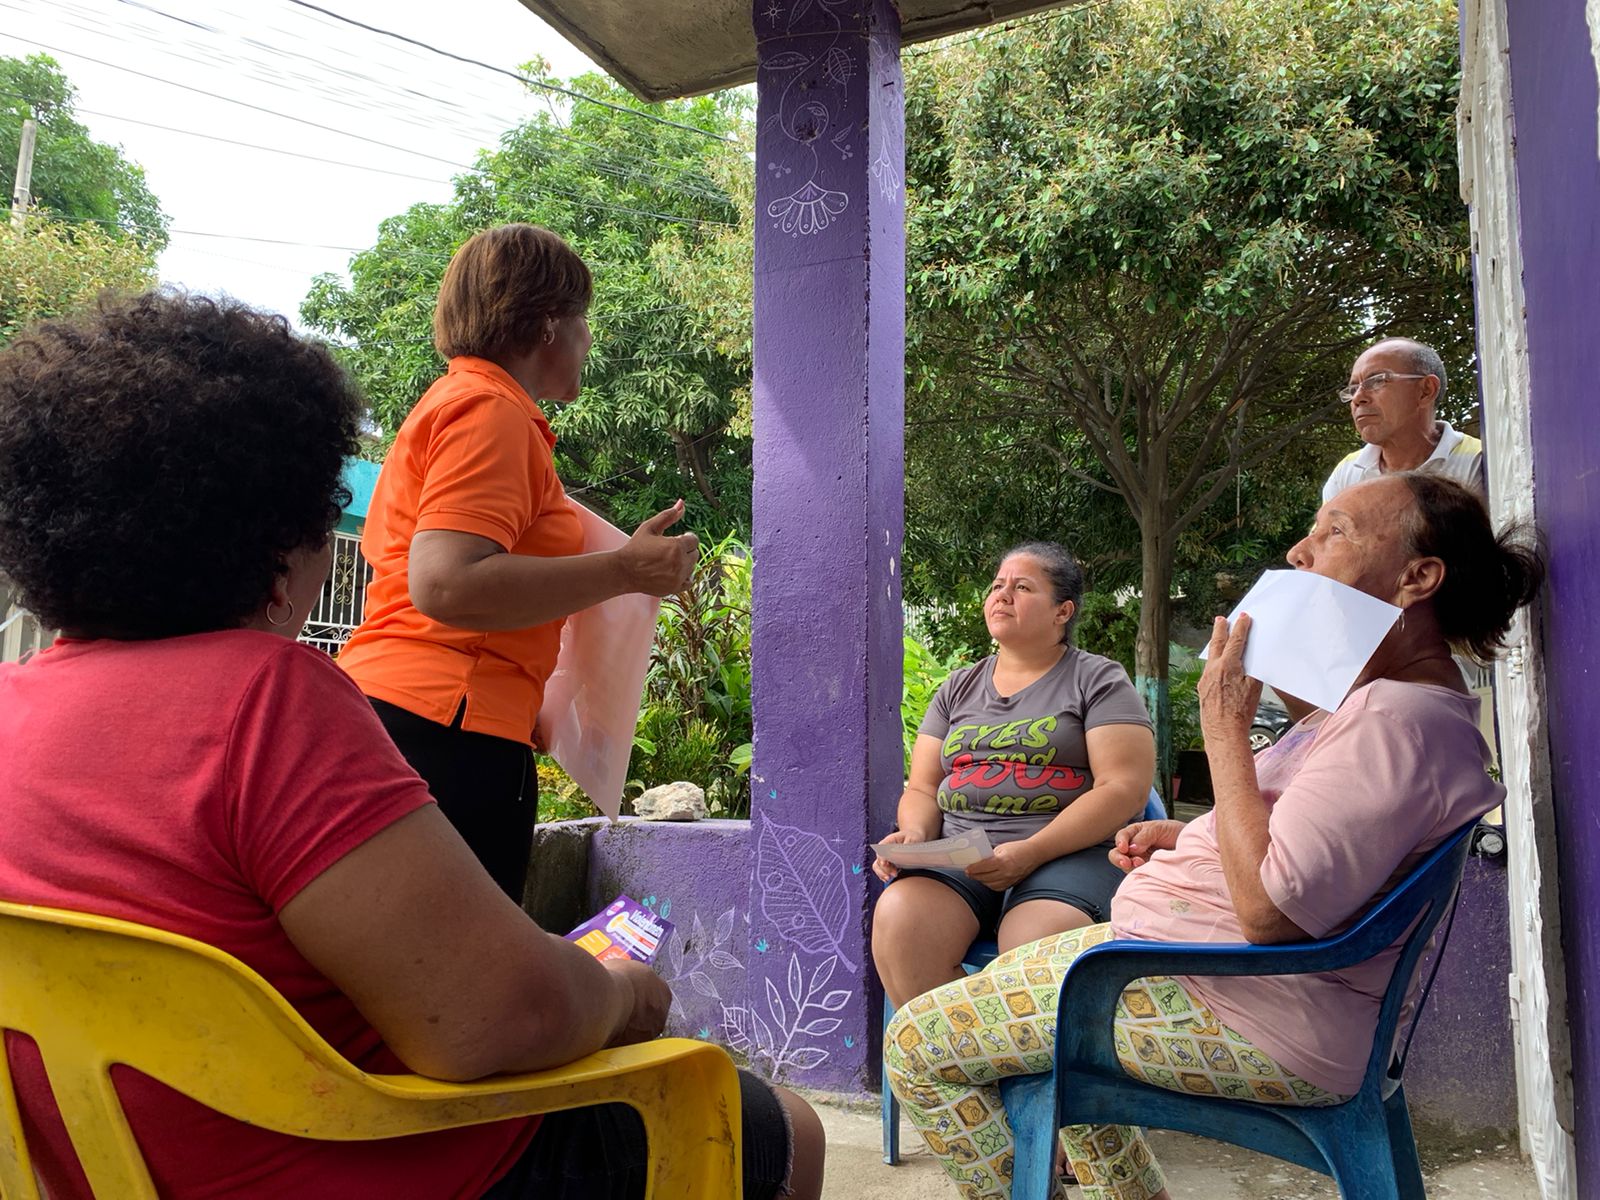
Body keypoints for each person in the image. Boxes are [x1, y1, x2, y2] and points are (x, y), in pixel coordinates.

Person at [0, 292, 823, 1200]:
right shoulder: (266, 700)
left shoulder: (14, 707)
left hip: (94, 1171)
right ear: (282, 555)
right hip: (358, 1165)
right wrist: (624, 990)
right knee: (782, 1125)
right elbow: (490, 1020)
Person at [884, 474, 1542, 1200]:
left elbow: (1268, 912)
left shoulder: (1398, 724)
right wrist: (1187, 836)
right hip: (1189, 968)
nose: (1299, 553)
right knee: (1014, 1028)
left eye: (1335, 532)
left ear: (1416, 578)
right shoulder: (1370, 708)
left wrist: (1225, 727)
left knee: (914, 1045)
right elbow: (1292, 836)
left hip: (1243, 1005)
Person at [337, 223, 699, 900]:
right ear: (547, 327)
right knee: (460, 986)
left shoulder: (459, 401)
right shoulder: (490, 411)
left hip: (417, 716)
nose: (591, 341)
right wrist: (624, 571)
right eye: (584, 321)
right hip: (442, 731)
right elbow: (447, 581)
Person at [871, 542, 1156, 1010]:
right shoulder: (958, 687)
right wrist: (917, 837)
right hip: (964, 856)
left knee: (1032, 941)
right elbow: (923, 786)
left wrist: (1029, 853)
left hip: (1068, 854)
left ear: (1062, 611)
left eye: (1022, 587)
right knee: (901, 919)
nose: (1002, 595)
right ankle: (952, 1074)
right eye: (998, 585)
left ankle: (1016, 1078)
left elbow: (1123, 789)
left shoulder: (1098, 679)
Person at [1322, 337, 1485, 503]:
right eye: (1354, 388)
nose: (1358, 398)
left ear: (1426, 390)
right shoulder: (1347, 471)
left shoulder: (1479, 462)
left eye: (1378, 380)